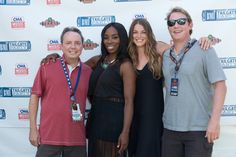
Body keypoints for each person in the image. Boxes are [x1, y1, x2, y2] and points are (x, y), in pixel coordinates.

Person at [161, 7, 227, 157]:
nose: (176, 26)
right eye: (171, 23)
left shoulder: (205, 49)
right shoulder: (165, 55)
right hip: (170, 130)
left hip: (198, 131)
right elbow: (153, 45)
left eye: (181, 21)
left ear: (190, 25)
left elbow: (221, 86)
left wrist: (215, 121)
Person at [28, 27, 92, 157]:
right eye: (68, 43)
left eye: (77, 43)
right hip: (48, 138)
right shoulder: (47, 66)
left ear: (82, 46)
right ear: (61, 46)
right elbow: (34, 96)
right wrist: (33, 129)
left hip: (77, 140)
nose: (73, 47)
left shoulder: (88, 72)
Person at [85, 22, 136, 157]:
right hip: (96, 120)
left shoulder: (126, 65)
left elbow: (129, 101)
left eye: (115, 37)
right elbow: (73, 66)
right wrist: (55, 56)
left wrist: (125, 132)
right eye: (106, 37)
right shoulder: (97, 61)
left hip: (114, 124)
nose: (110, 41)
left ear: (122, 39)